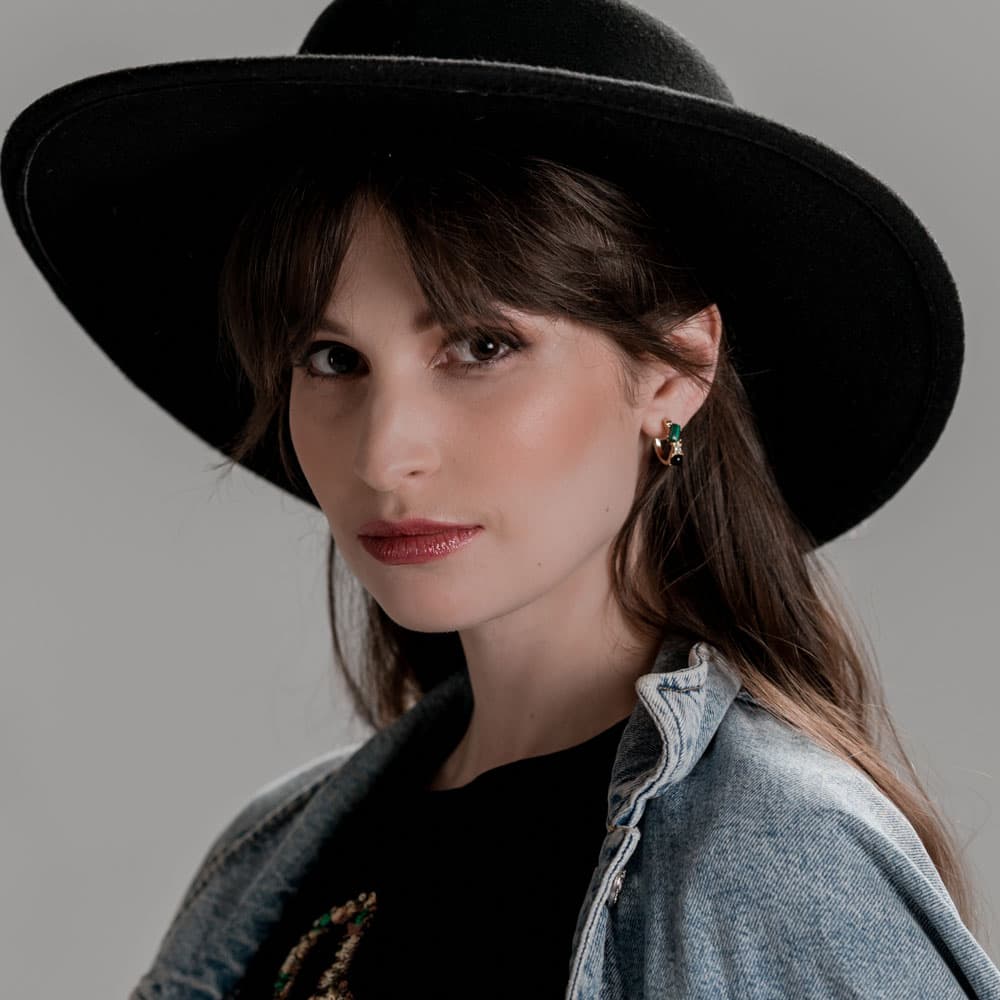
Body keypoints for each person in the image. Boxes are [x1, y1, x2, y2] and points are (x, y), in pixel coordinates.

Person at [3, 1, 999, 998]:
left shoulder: (774, 863)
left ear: (676, 368)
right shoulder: (272, 858)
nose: (386, 452)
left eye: (481, 347)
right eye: (332, 358)